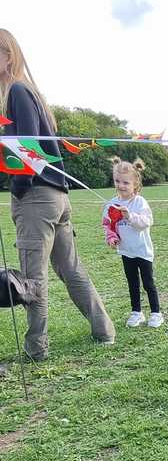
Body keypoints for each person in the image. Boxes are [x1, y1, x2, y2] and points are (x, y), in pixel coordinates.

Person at [0, 28, 115, 361]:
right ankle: (104, 330)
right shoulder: (28, 92)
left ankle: (36, 349)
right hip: (56, 197)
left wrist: (18, 189)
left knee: (31, 279)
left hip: (36, 197)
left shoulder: (18, 92)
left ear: (9, 55)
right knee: (70, 268)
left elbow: (27, 151)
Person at [103, 157, 164, 327]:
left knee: (148, 283)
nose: (121, 186)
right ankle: (136, 312)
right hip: (126, 251)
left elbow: (146, 222)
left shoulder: (140, 203)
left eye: (125, 182)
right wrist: (112, 238)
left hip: (142, 251)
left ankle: (155, 313)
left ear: (135, 184)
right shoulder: (112, 204)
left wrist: (129, 216)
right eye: (117, 181)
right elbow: (108, 224)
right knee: (132, 284)